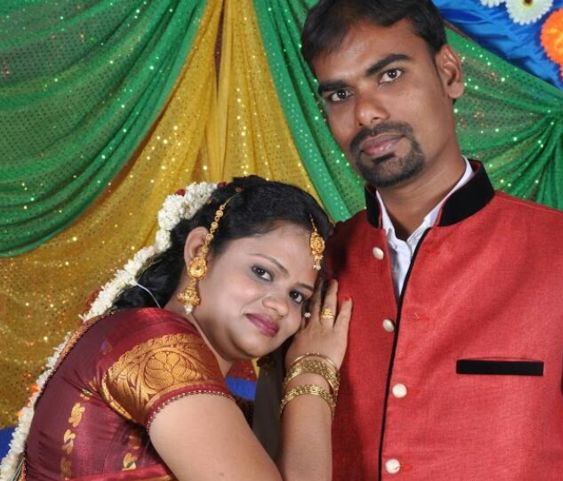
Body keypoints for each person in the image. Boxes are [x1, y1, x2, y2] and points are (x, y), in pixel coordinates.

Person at [268, 1, 563, 479]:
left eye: (390, 75)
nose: (366, 112)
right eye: (340, 94)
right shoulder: (314, 267)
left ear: (449, 74)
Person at [3, 176, 351, 481]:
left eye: (297, 296)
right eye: (262, 272)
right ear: (199, 251)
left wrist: (288, 366)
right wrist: (313, 371)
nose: (281, 306)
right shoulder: (152, 344)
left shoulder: (217, 403)